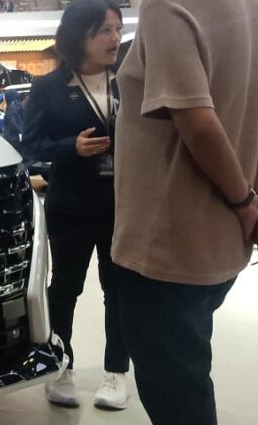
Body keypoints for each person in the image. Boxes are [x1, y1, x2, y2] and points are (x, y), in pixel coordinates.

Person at [112, 0, 258, 424]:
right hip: (219, 241)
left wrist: (244, 202)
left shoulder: (167, 4)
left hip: (166, 244)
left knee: (178, 397)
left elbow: (196, 120)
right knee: (189, 372)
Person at [22, 0, 129, 410]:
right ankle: (59, 366)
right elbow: (31, 147)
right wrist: (72, 147)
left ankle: (116, 371)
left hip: (123, 203)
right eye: (104, 30)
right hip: (70, 204)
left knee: (118, 289)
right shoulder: (49, 87)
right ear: (79, 35)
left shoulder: (129, 81)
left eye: (118, 29)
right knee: (66, 286)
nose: (115, 38)